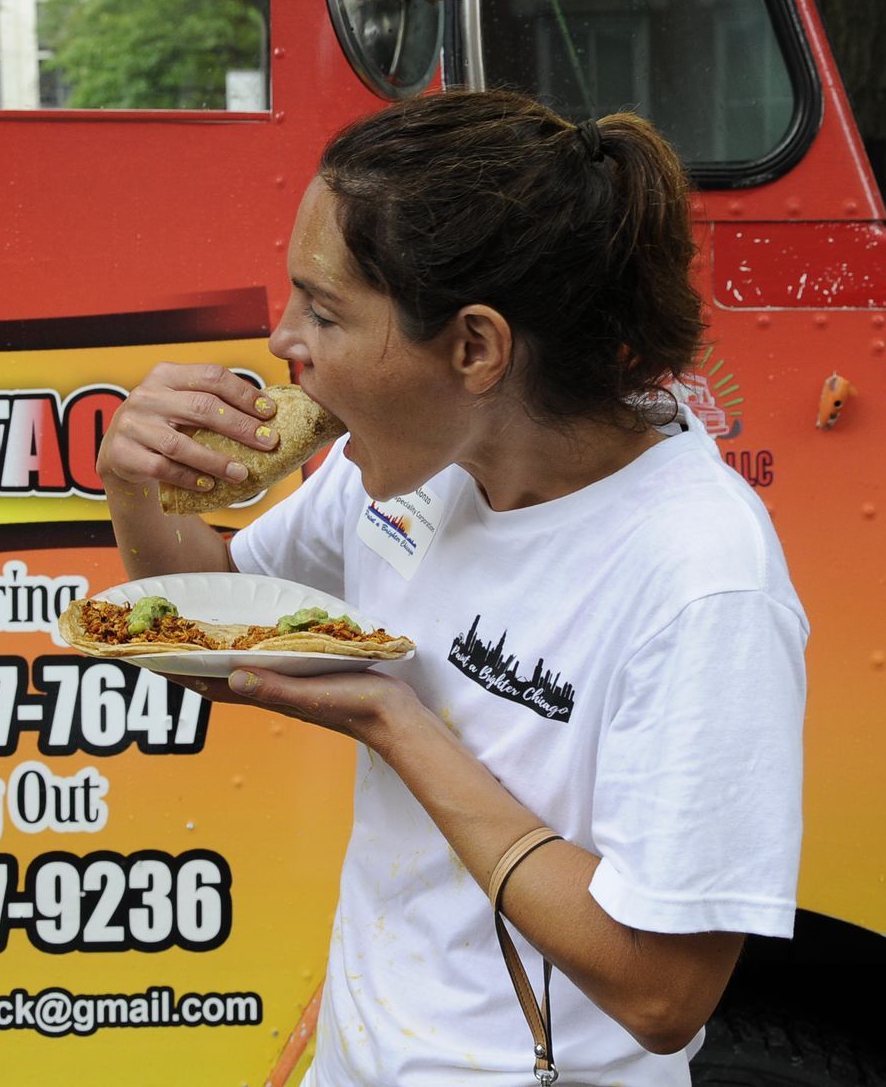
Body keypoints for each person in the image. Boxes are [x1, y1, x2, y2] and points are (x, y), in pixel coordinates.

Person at [96, 88, 808, 1086]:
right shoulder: (410, 466)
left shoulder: (699, 575)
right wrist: (134, 484)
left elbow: (662, 993)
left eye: (325, 311)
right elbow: (209, 632)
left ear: (476, 347)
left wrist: (400, 724)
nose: (285, 341)